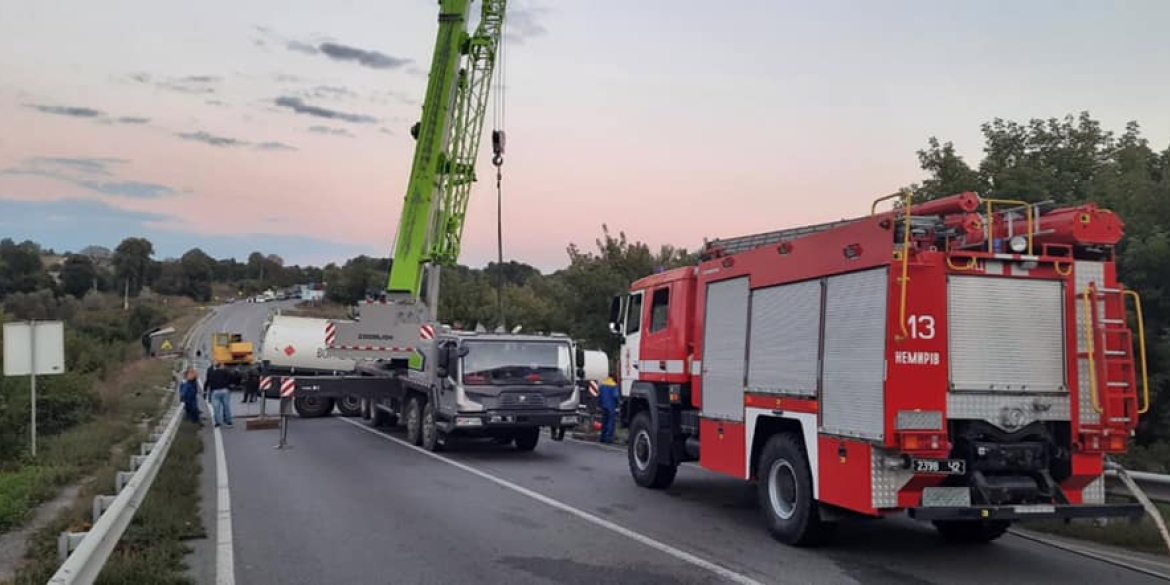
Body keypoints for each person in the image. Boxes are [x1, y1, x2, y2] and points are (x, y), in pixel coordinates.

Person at [205, 361, 235, 427]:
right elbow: (232, 377)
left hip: (215, 391)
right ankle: (228, 422)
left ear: (215, 366)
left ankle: (218, 422)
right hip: (225, 390)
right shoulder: (225, 372)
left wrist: (205, 391)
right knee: (226, 406)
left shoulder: (212, 373)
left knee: (216, 407)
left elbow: (208, 381)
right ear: (221, 366)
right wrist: (229, 384)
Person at [598, 375, 620, 444]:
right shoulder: (614, 385)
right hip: (611, 406)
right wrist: (618, 403)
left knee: (604, 421)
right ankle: (609, 438)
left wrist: (600, 404)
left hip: (603, 405)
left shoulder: (603, 384)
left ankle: (602, 437)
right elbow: (616, 396)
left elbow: (600, 395)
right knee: (611, 422)